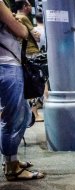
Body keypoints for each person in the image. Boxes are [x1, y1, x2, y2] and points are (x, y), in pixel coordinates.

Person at [0, 0, 44, 180]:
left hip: (7, 65)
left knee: (24, 114)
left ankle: (11, 159)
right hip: (6, 65)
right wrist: (18, 22)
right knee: (13, 118)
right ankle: (11, 166)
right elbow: (22, 31)